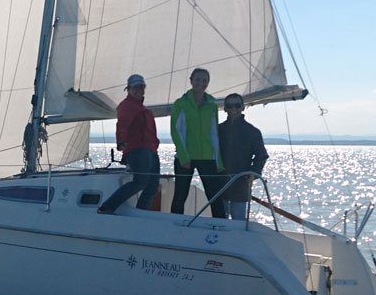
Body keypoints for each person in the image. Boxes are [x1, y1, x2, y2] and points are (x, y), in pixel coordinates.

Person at [169, 67, 227, 218]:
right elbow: (176, 131)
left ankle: (220, 223)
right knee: (180, 194)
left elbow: (214, 133)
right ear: (191, 81)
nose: (201, 83)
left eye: (204, 80)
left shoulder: (212, 104)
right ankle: (175, 224)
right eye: (197, 79)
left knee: (214, 194)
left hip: (207, 157)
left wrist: (218, 161)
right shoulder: (181, 103)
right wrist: (184, 157)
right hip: (185, 157)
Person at [98, 74, 160, 214]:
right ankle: (107, 207)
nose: (138, 90)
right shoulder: (126, 106)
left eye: (141, 87)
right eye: (135, 87)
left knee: (152, 186)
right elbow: (122, 125)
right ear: (128, 89)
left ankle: (142, 212)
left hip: (150, 151)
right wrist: (121, 141)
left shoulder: (143, 109)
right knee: (140, 182)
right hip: (138, 150)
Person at [217, 93, 268, 221]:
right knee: (219, 219)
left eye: (237, 105)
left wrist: (253, 174)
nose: (233, 108)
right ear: (225, 109)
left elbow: (261, 155)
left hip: (241, 182)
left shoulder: (252, 131)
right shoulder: (218, 130)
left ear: (243, 107)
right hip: (218, 180)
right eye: (230, 106)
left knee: (239, 220)